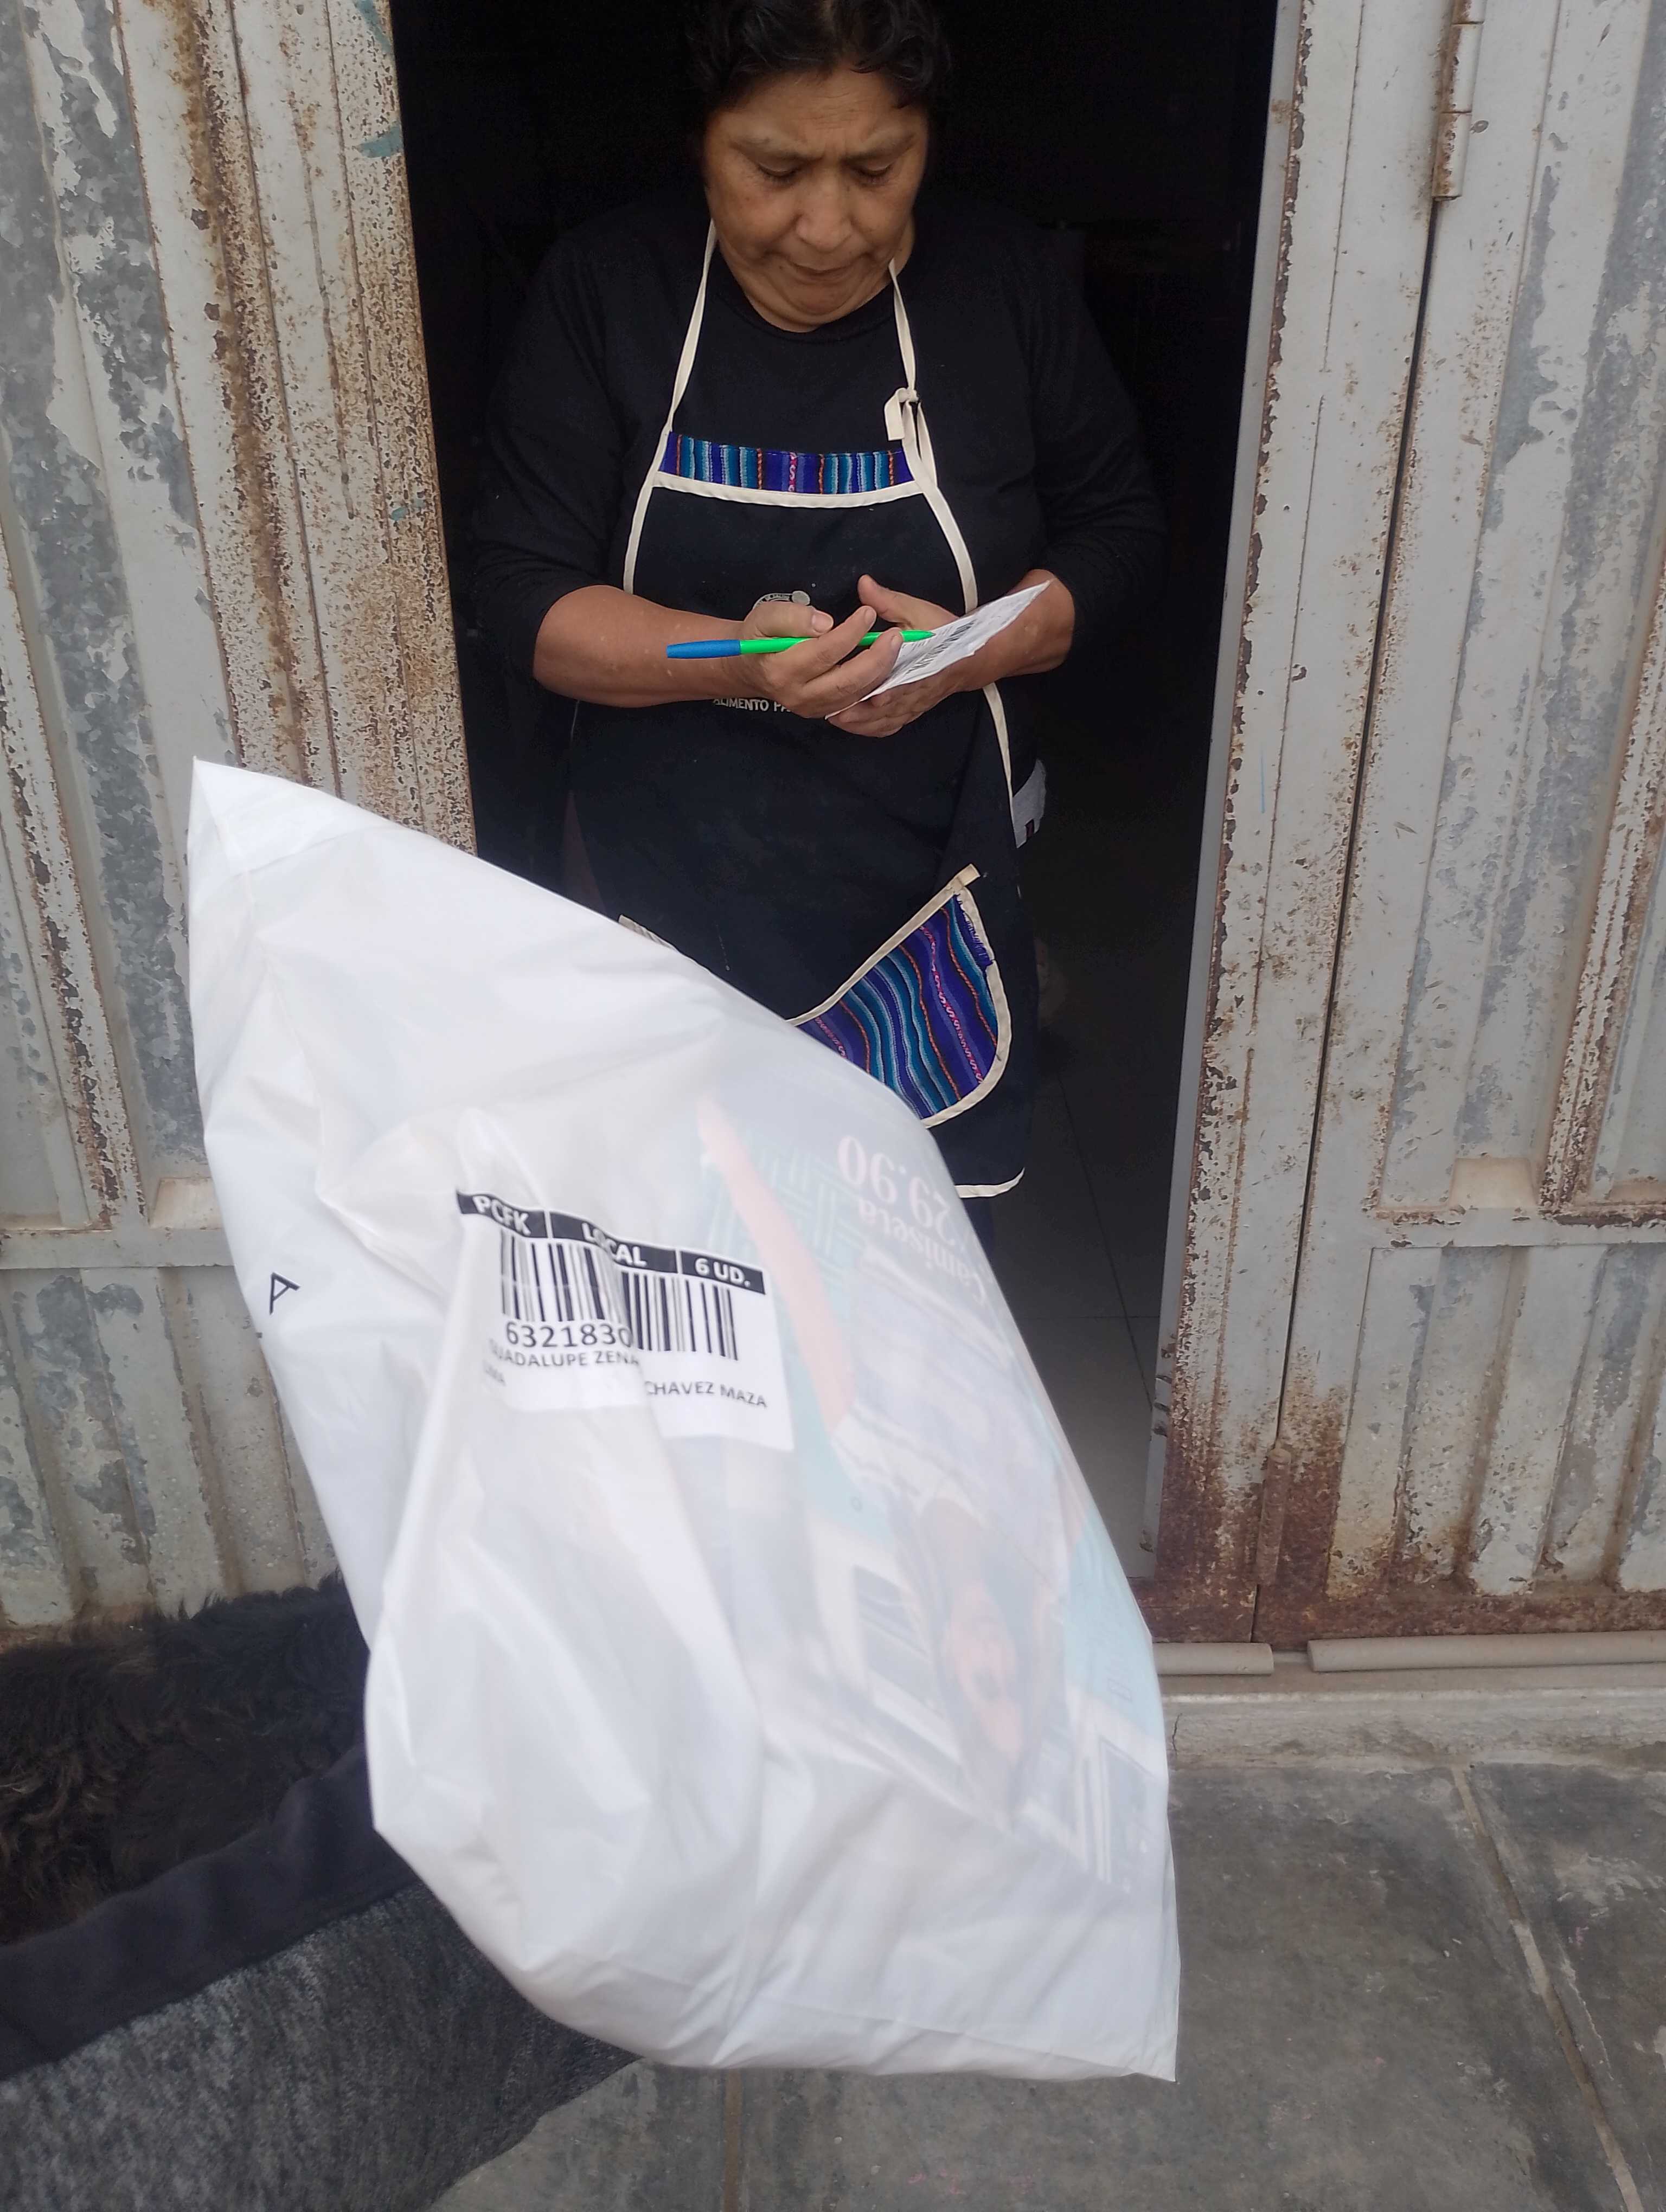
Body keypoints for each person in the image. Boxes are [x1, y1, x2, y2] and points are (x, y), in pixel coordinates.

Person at [471, 0, 1164, 1239]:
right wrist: (737, 659)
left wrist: (967, 651)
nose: (829, 226)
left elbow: (1117, 533)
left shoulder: (1000, 284)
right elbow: (529, 601)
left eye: (877, 169)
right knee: (693, 1248)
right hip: (662, 878)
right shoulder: (608, 291)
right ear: (701, 144)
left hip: (929, 888)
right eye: (777, 171)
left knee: (896, 1256)